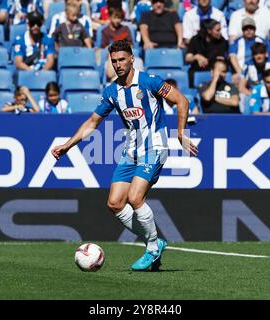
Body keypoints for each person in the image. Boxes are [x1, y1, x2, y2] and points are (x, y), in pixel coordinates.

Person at [51, 40, 198, 271]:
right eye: (114, 61)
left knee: (135, 197)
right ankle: (155, 241)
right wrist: (68, 144)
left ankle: (151, 247)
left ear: (132, 59)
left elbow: (182, 100)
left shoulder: (150, 82)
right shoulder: (112, 92)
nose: (118, 64)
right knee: (115, 203)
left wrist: (181, 133)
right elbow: (92, 122)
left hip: (155, 147)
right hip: (131, 151)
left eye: (121, 59)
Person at [229, 17, 270, 81]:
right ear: (242, 30)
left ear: (255, 29)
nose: (249, 30)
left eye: (251, 28)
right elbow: (232, 57)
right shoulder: (237, 43)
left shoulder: (263, 41)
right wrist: (240, 73)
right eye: (246, 29)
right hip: (242, 72)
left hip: (262, 72)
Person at [185, 18, 228, 87]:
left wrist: (206, 60)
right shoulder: (196, 40)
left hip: (214, 71)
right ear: (209, 31)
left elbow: (221, 58)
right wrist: (196, 57)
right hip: (197, 70)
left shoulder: (222, 41)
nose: (220, 33)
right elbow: (188, 58)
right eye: (217, 30)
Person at [238, 42, 270, 110]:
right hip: (252, 93)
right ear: (252, 55)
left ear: (265, 54)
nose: (258, 56)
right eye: (255, 54)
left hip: (268, 93)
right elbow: (241, 87)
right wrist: (253, 94)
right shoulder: (248, 65)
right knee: (241, 96)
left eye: (261, 53)